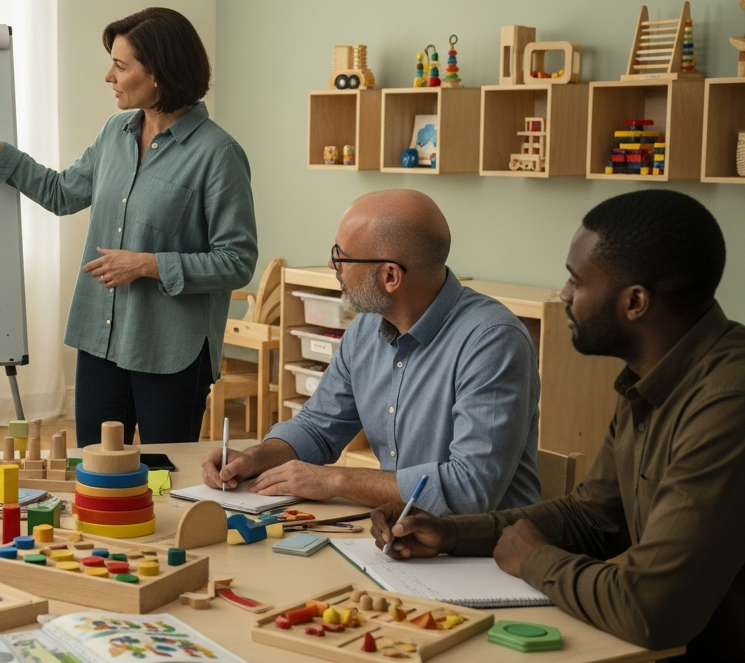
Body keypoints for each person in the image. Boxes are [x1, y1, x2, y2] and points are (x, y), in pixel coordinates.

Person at [373, 190, 743, 663]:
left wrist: (534, 560)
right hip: (655, 660)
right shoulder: (651, 379)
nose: (564, 294)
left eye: (578, 280)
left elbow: (650, 610)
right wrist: (452, 534)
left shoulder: (726, 404)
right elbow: (592, 518)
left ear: (635, 302)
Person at [0, 7, 257, 446]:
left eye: (120, 66)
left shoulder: (218, 153)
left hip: (170, 351)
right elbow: (63, 193)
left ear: (159, 74)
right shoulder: (115, 132)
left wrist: (148, 265)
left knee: (164, 473)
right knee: (94, 468)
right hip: (100, 339)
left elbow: (237, 261)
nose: (109, 76)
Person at [202, 189, 541, 515]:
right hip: (399, 532)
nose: (332, 265)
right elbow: (317, 428)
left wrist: (335, 481)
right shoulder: (366, 328)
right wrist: (254, 459)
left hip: (483, 546)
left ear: (390, 276)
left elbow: (470, 489)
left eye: (340, 256)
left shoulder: (493, 341)